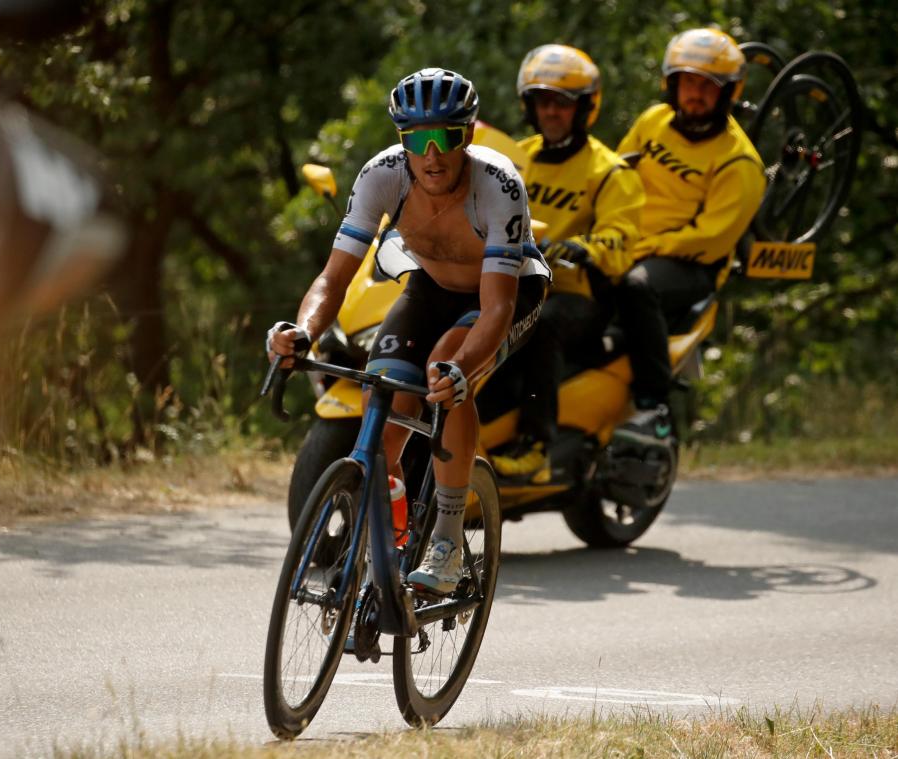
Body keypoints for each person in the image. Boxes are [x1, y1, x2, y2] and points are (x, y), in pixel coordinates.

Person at [268, 68, 549, 594]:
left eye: (446, 136)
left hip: (505, 294)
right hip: (430, 286)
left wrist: (461, 370)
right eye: (418, 139)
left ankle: (445, 536)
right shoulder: (381, 176)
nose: (433, 154)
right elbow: (333, 279)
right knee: (385, 391)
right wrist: (300, 332)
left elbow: (495, 308)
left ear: (467, 135)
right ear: (404, 141)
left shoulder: (498, 183)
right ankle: (390, 513)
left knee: (445, 366)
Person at [491, 44, 644, 483]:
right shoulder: (513, 159)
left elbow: (622, 237)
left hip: (578, 294)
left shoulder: (610, 171)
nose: (551, 111)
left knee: (541, 324)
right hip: (510, 279)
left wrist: (583, 246)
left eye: (562, 102)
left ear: (584, 109)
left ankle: (536, 445)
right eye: (543, 101)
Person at [614, 28, 766, 442]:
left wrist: (647, 248)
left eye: (707, 85)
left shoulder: (739, 161)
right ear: (671, 84)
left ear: (728, 93)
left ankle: (653, 408)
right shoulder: (652, 122)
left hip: (688, 265)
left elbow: (710, 239)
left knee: (634, 286)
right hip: (630, 243)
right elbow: (615, 177)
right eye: (688, 82)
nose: (695, 93)